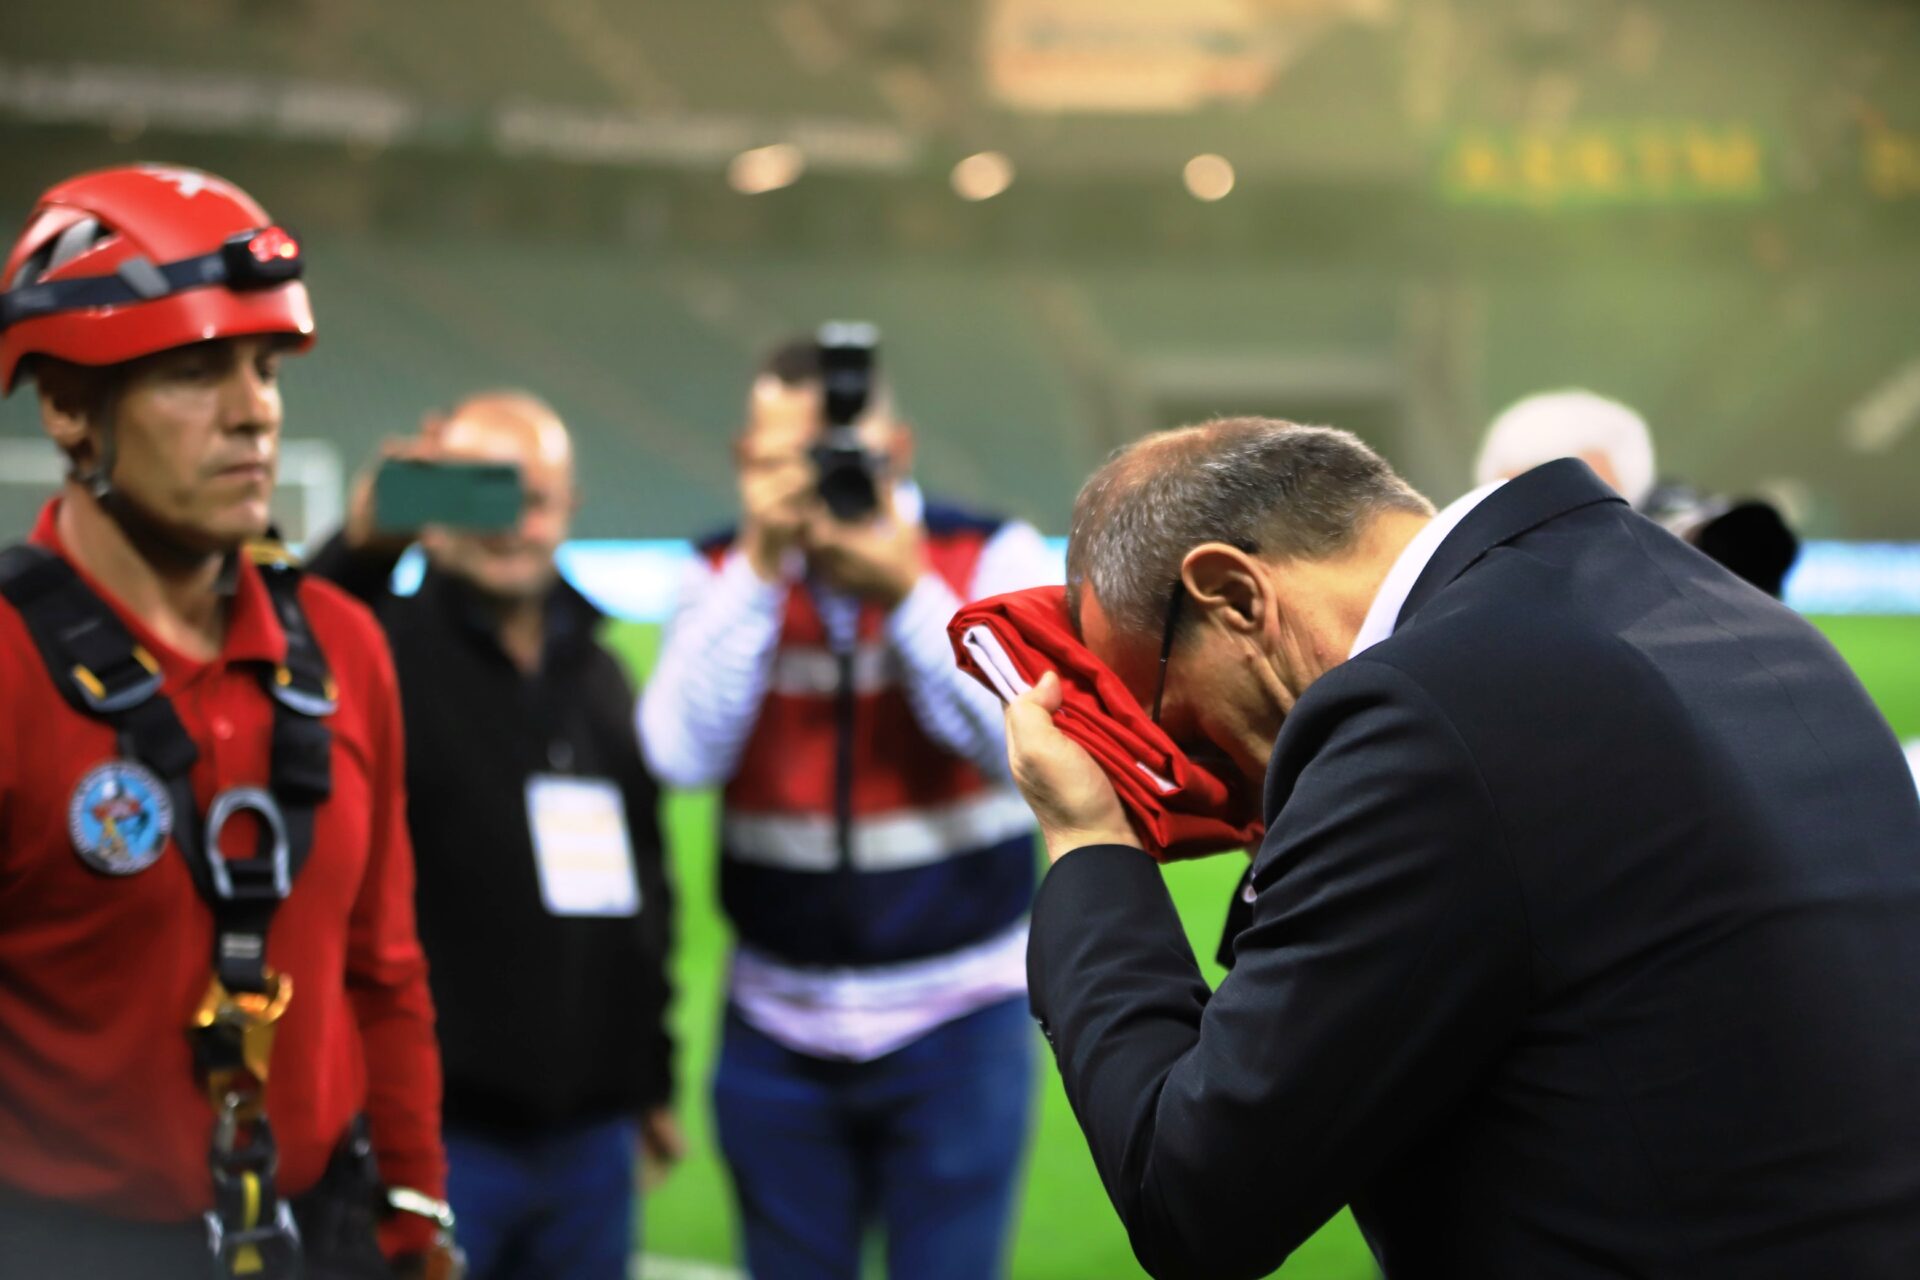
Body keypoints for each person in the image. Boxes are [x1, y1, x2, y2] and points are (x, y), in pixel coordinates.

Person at [1005, 417, 1920, 1278]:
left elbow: (1194, 1196)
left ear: (1237, 595)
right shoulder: (1722, 609)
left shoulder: (1424, 715)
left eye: (1170, 720)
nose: (1185, 769)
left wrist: (1090, 841)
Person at [0, 164, 456, 1276]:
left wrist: (414, 1216)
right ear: (66, 405)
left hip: (327, 1231)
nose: (255, 409)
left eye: (262, 366)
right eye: (197, 370)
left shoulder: (345, 648)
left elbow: (384, 973)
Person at [639, 335, 1054, 1280]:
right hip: (776, 1029)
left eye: (843, 457)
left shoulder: (987, 553)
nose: (822, 480)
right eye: (794, 458)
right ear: (749, 460)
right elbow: (677, 753)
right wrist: (758, 568)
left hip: (959, 1019)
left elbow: (1020, 750)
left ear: (897, 451)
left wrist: (909, 596)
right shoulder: (716, 574)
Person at [307, 391, 680, 1280]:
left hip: (590, 1140)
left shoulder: (599, 669)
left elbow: (646, 887)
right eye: (486, 496)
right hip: (433, 1133)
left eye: (536, 498)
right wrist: (364, 542)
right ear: (434, 513)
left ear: (571, 510)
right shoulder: (376, 651)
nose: (513, 525)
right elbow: (288, 652)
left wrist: (650, 1076)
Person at [1476, 388, 1798, 597]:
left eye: (1585, 491)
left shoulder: (1678, 550)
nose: (1561, 516)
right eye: (1524, 492)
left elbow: (1750, 553)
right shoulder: (1468, 577)